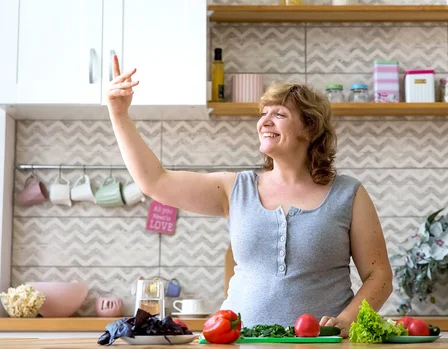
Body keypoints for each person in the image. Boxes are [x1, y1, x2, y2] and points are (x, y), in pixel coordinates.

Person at [106, 55, 393, 338]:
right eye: (263, 114)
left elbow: (379, 276)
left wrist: (345, 321)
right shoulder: (236, 188)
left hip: (322, 344)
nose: (265, 122)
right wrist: (119, 114)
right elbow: (154, 181)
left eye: (279, 114)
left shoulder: (348, 194)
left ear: (310, 128)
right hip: (238, 342)